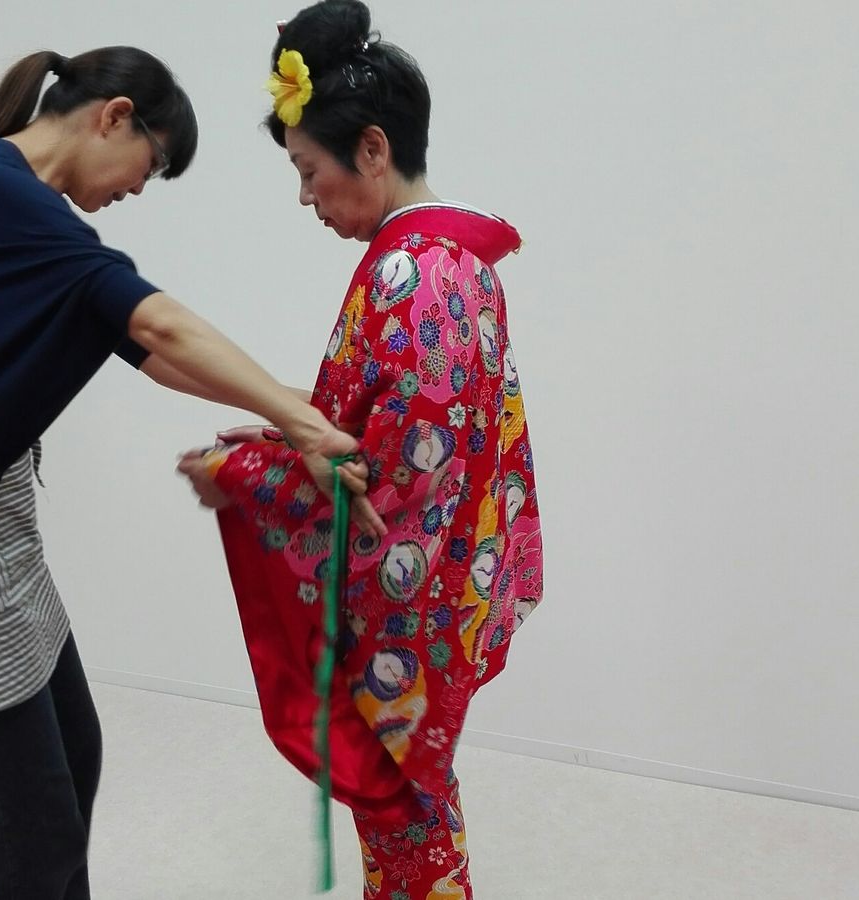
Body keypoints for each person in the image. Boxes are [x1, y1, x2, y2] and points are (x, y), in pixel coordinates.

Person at [0, 45, 372, 900]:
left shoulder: (23, 214)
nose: (139, 188)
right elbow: (160, 328)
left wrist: (322, 405)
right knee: (22, 845)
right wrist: (304, 425)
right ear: (114, 116)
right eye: (153, 164)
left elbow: (156, 357)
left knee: (74, 767)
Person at [176, 3, 544, 898]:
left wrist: (242, 474)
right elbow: (393, 426)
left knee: (403, 804)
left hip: (412, 597)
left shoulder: (413, 276)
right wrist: (285, 430)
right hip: (450, 577)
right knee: (416, 806)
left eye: (309, 171)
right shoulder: (452, 262)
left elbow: (392, 485)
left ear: (372, 150)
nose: (306, 197)